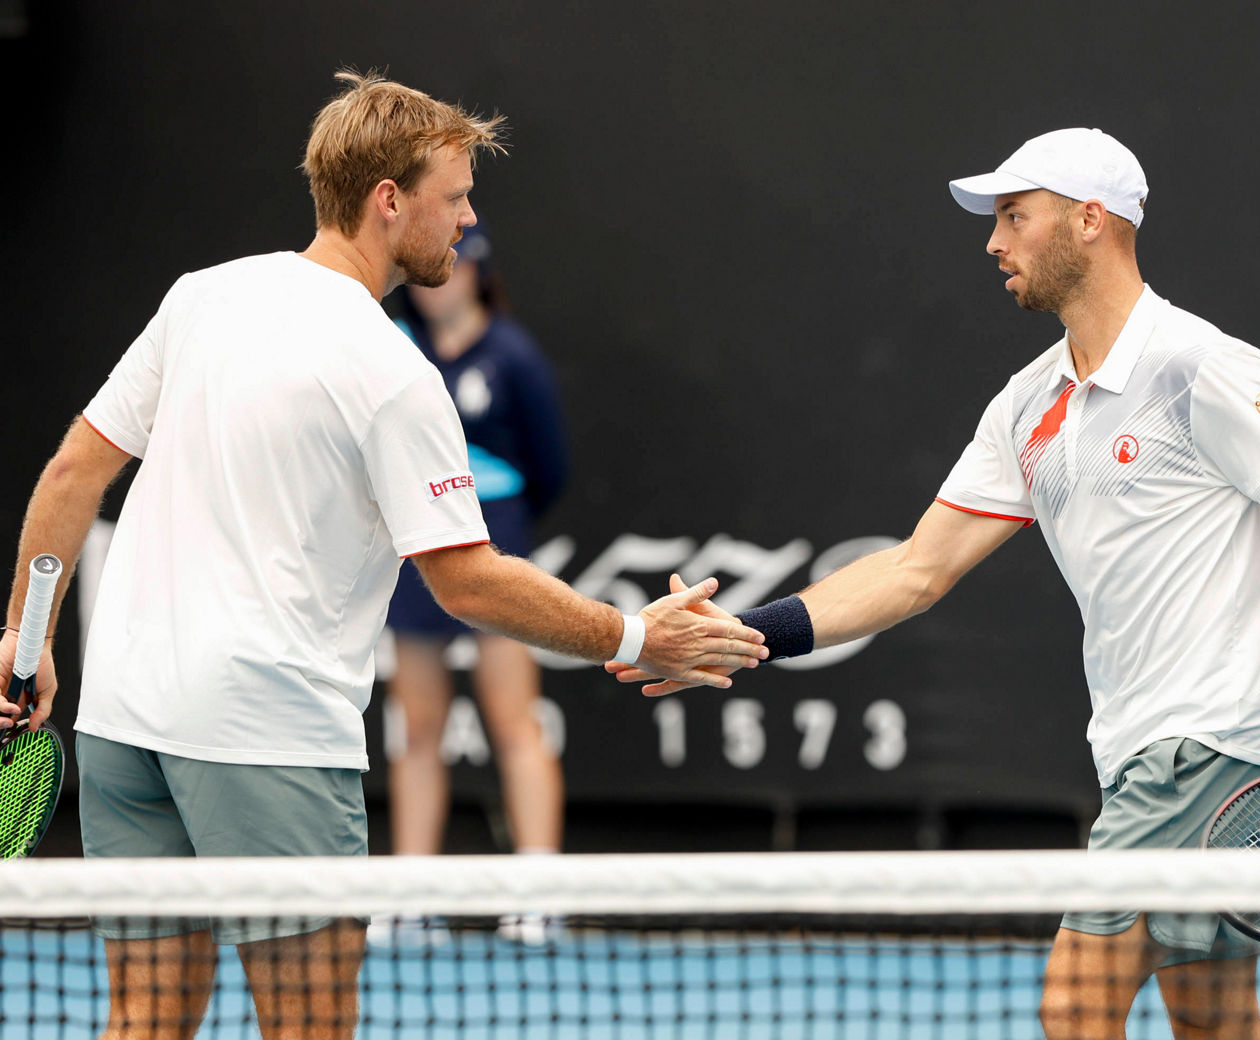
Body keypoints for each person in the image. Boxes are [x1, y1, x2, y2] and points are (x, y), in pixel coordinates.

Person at [611, 128, 1260, 1040]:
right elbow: (915, 569)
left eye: (1016, 217)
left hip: (1201, 746)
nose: (995, 242)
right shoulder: (1027, 403)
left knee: (1073, 1010)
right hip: (1135, 745)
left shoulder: (1198, 367)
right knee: (1215, 1025)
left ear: (1091, 221)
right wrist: (749, 633)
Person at [0, 70, 766, 1040]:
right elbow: (467, 578)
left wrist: (28, 643)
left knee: (145, 1018)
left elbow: (73, 471)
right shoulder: (392, 371)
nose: (468, 216)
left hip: (124, 719)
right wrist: (632, 635)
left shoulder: (203, 297)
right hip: (265, 733)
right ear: (388, 200)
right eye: (454, 196)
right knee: (310, 1025)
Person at [384, 220, 568, 867]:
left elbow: (549, 465)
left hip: (499, 541)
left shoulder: (513, 354)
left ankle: (538, 889)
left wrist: (500, 517)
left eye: (457, 266)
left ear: (479, 272)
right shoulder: (396, 350)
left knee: (517, 721)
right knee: (417, 729)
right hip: (416, 550)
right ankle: (411, 895)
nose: (442, 282)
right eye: (431, 269)